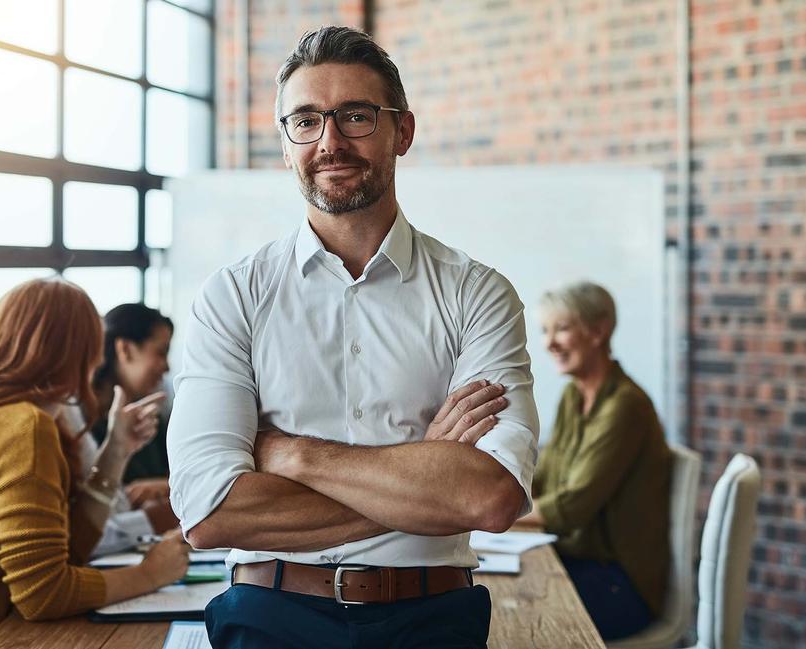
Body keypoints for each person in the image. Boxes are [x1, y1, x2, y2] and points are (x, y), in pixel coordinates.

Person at [168, 26, 539, 648]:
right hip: (269, 614)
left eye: (356, 116)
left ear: (404, 130)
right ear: (286, 144)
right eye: (306, 120)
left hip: (432, 619)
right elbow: (209, 514)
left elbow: (490, 496)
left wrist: (291, 454)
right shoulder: (232, 297)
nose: (330, 142)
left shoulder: (478, 293)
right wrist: (423, 468)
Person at [0, 278, 189, 649]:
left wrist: (116, 451)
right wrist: (149, 574)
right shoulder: (26, 428)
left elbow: (67, 554)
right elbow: (41, 595)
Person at [519, 281, 671, 641]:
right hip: (579, 563)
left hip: (620, 585)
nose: (549, 343)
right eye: (545, 330)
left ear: (599, 331)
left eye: (562, 328)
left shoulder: (625, 406)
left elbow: (572, 507)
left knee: (511, 615)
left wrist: (492, 512)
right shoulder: (574, 396)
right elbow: (542, 477)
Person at [88, 303, 175, 525]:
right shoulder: (79, 423)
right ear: (125, 349)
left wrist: (166, 486)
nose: (166, 367)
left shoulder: (151, 418)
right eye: (161, 352)